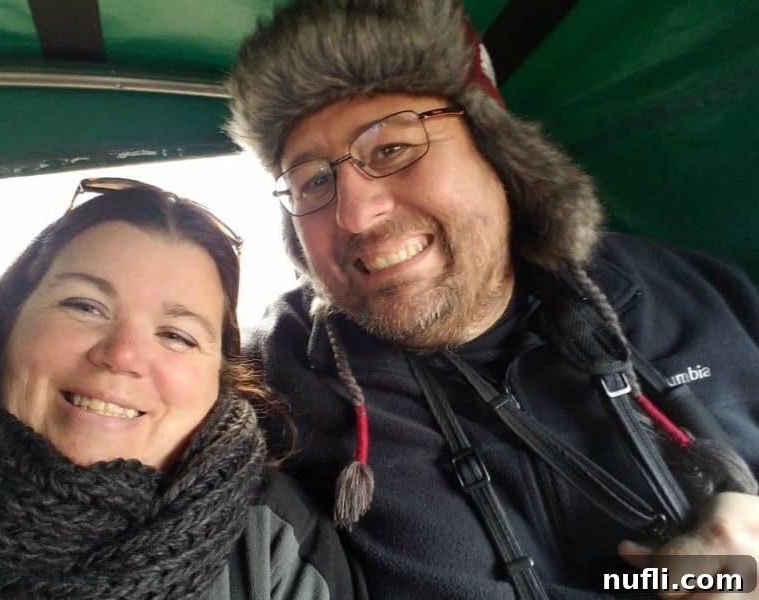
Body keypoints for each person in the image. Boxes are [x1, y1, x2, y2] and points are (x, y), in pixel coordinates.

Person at [226, 1, 759, 598]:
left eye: (392, 149)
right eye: (313, 180)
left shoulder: (685, 294)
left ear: (497, 154)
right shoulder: (281, 381)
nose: (354, 213)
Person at [0, 178, 358, 599]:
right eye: (84, 306)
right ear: (7, 321)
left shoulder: (273, 537)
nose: (122, 356)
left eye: (176, 335)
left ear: (219, 379)